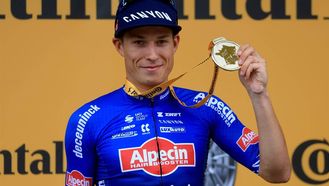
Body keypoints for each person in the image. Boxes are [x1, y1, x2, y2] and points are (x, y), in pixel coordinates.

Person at [64, 0, 291, 185]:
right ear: (119, 46)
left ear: (175, 43)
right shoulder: (87, 119)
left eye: (161, 42)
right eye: (139, 42)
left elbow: (277, 173)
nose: (152, 54)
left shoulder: (206, 106)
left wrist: (259, 94)